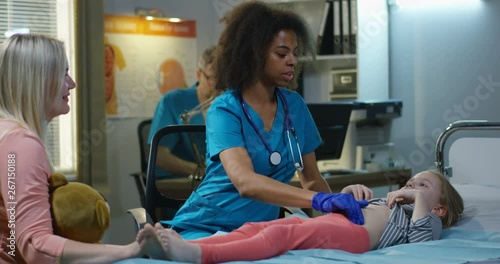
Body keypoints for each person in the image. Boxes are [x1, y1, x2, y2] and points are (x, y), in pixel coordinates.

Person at [164, 0, 373, 240]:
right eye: (282, 53)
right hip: (206, 227)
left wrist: (339, 213)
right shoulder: (224, 109)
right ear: (253, 54)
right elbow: (246, 182)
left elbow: (312, 179)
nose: (293, 61)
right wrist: (320, 201)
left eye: (295, 53)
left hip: (258, 232)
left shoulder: (294, 105)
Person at [0, 34, 140, 263]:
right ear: (39, 79)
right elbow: (36, 246)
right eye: (64, 74)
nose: (72, 84)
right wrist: (128, 250)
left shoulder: (7, 135)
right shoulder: (21, 145)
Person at [137, 170, 464, 263]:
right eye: (411, 182)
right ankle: (174, 247)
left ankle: (199, 253)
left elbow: (424, 247)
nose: (411, 186)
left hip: (356, 237)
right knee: (260, 226)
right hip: (338, 221)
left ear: (439, 208)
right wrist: (350, 195)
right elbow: (342, 205)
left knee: (280, 238)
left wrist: (417, 197)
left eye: (422, 185)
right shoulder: (388, 202)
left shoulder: (426, 218)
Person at [148, 46, 217, 180]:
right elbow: (159, 156)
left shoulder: (230, 104)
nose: (219, 86)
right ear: (198, 75)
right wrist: (200, 171)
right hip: (182, 182)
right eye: (213, 79)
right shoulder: (174, 101)